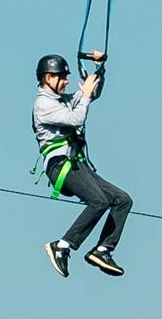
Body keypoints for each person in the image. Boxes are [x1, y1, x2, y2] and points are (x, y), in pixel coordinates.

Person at [33, 52, 131, 277]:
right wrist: (85, 96)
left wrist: (99, 70)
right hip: (60, 166)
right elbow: (76, 118)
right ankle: (63, 245)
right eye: (62, 77)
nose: (66, 81)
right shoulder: (43, 105)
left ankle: (103, 249)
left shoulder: (61, 100)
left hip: (77, 164)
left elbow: (90, 94)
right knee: (98, 201)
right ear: (48, 77)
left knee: (122, 200)